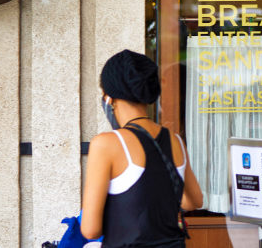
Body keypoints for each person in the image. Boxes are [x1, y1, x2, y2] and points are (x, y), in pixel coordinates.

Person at [81, 50, 203, 247]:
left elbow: (90, 229)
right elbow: (193, 201)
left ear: (109, 98)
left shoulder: (106, 143)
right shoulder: (174, 140)